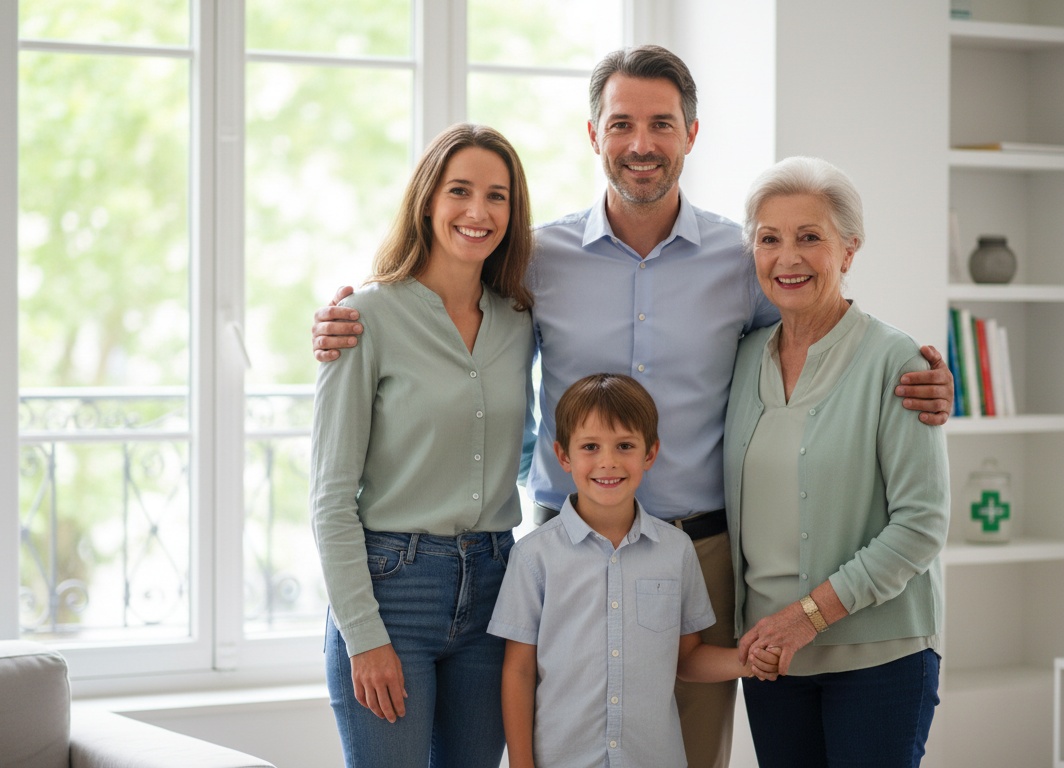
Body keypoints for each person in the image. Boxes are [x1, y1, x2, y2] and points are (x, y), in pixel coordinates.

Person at [311, 46, 954, 768]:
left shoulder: (738, 260)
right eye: (621, 124)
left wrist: (922, 372)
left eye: (660, 124)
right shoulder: (535, 258)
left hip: (701, 553)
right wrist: (349, 310)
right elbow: (447, 318)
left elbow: (817, 315)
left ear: (691, 133)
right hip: (565, 548)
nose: (641, 144)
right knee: (562, 744)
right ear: (594, 135)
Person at [310, 123, 536, 768]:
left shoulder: (519, 322)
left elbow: (510, 450)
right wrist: (362, 634)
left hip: (496, 587)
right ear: (427, 201)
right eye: (459, 191)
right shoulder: (366, 318)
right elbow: (329, 495)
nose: (477, 211)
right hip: (392, 591)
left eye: (497, 196)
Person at [725, 156, 951, 767]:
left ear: (848, 251)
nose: (786, 257)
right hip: (772, 657)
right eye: (769, 239)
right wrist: (780, 631)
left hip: (878, 658)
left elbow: (921, 525)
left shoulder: (896, 360)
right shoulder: (743, 357)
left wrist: (807, 617)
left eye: (809, 238)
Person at [489, 373, 778, 768]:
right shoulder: (533, 556)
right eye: (590, 446)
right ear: (563, 456)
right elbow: (518, 671)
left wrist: (748, 662)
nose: (608, 461)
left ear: (650, 453)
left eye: (625, 446)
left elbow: (687, 660)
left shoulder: (675, 551)